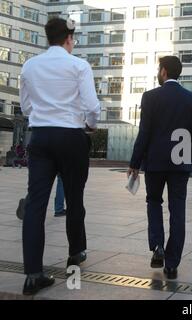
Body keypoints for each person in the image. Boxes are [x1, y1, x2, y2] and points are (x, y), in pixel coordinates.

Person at [19, 18, 100, 295]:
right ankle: (75, 254)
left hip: (39, 137)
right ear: (69, 38)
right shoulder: (78, 66)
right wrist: (90, 124)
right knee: (74, 199)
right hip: (70, 137)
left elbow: (26, 106)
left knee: (35, 204)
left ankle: (32, 274)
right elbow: (92, 106)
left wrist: (44, 114)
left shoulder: (29, 65)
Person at [128, 56, 192, 280]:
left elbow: (144, 132)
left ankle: (157, 246)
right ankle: (171, 264)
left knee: (153, 201)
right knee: (177, 210)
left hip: (155, 162)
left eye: (158, 69)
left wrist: (134, 163)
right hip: (180, 162)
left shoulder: (151, 97)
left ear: (163, 72)